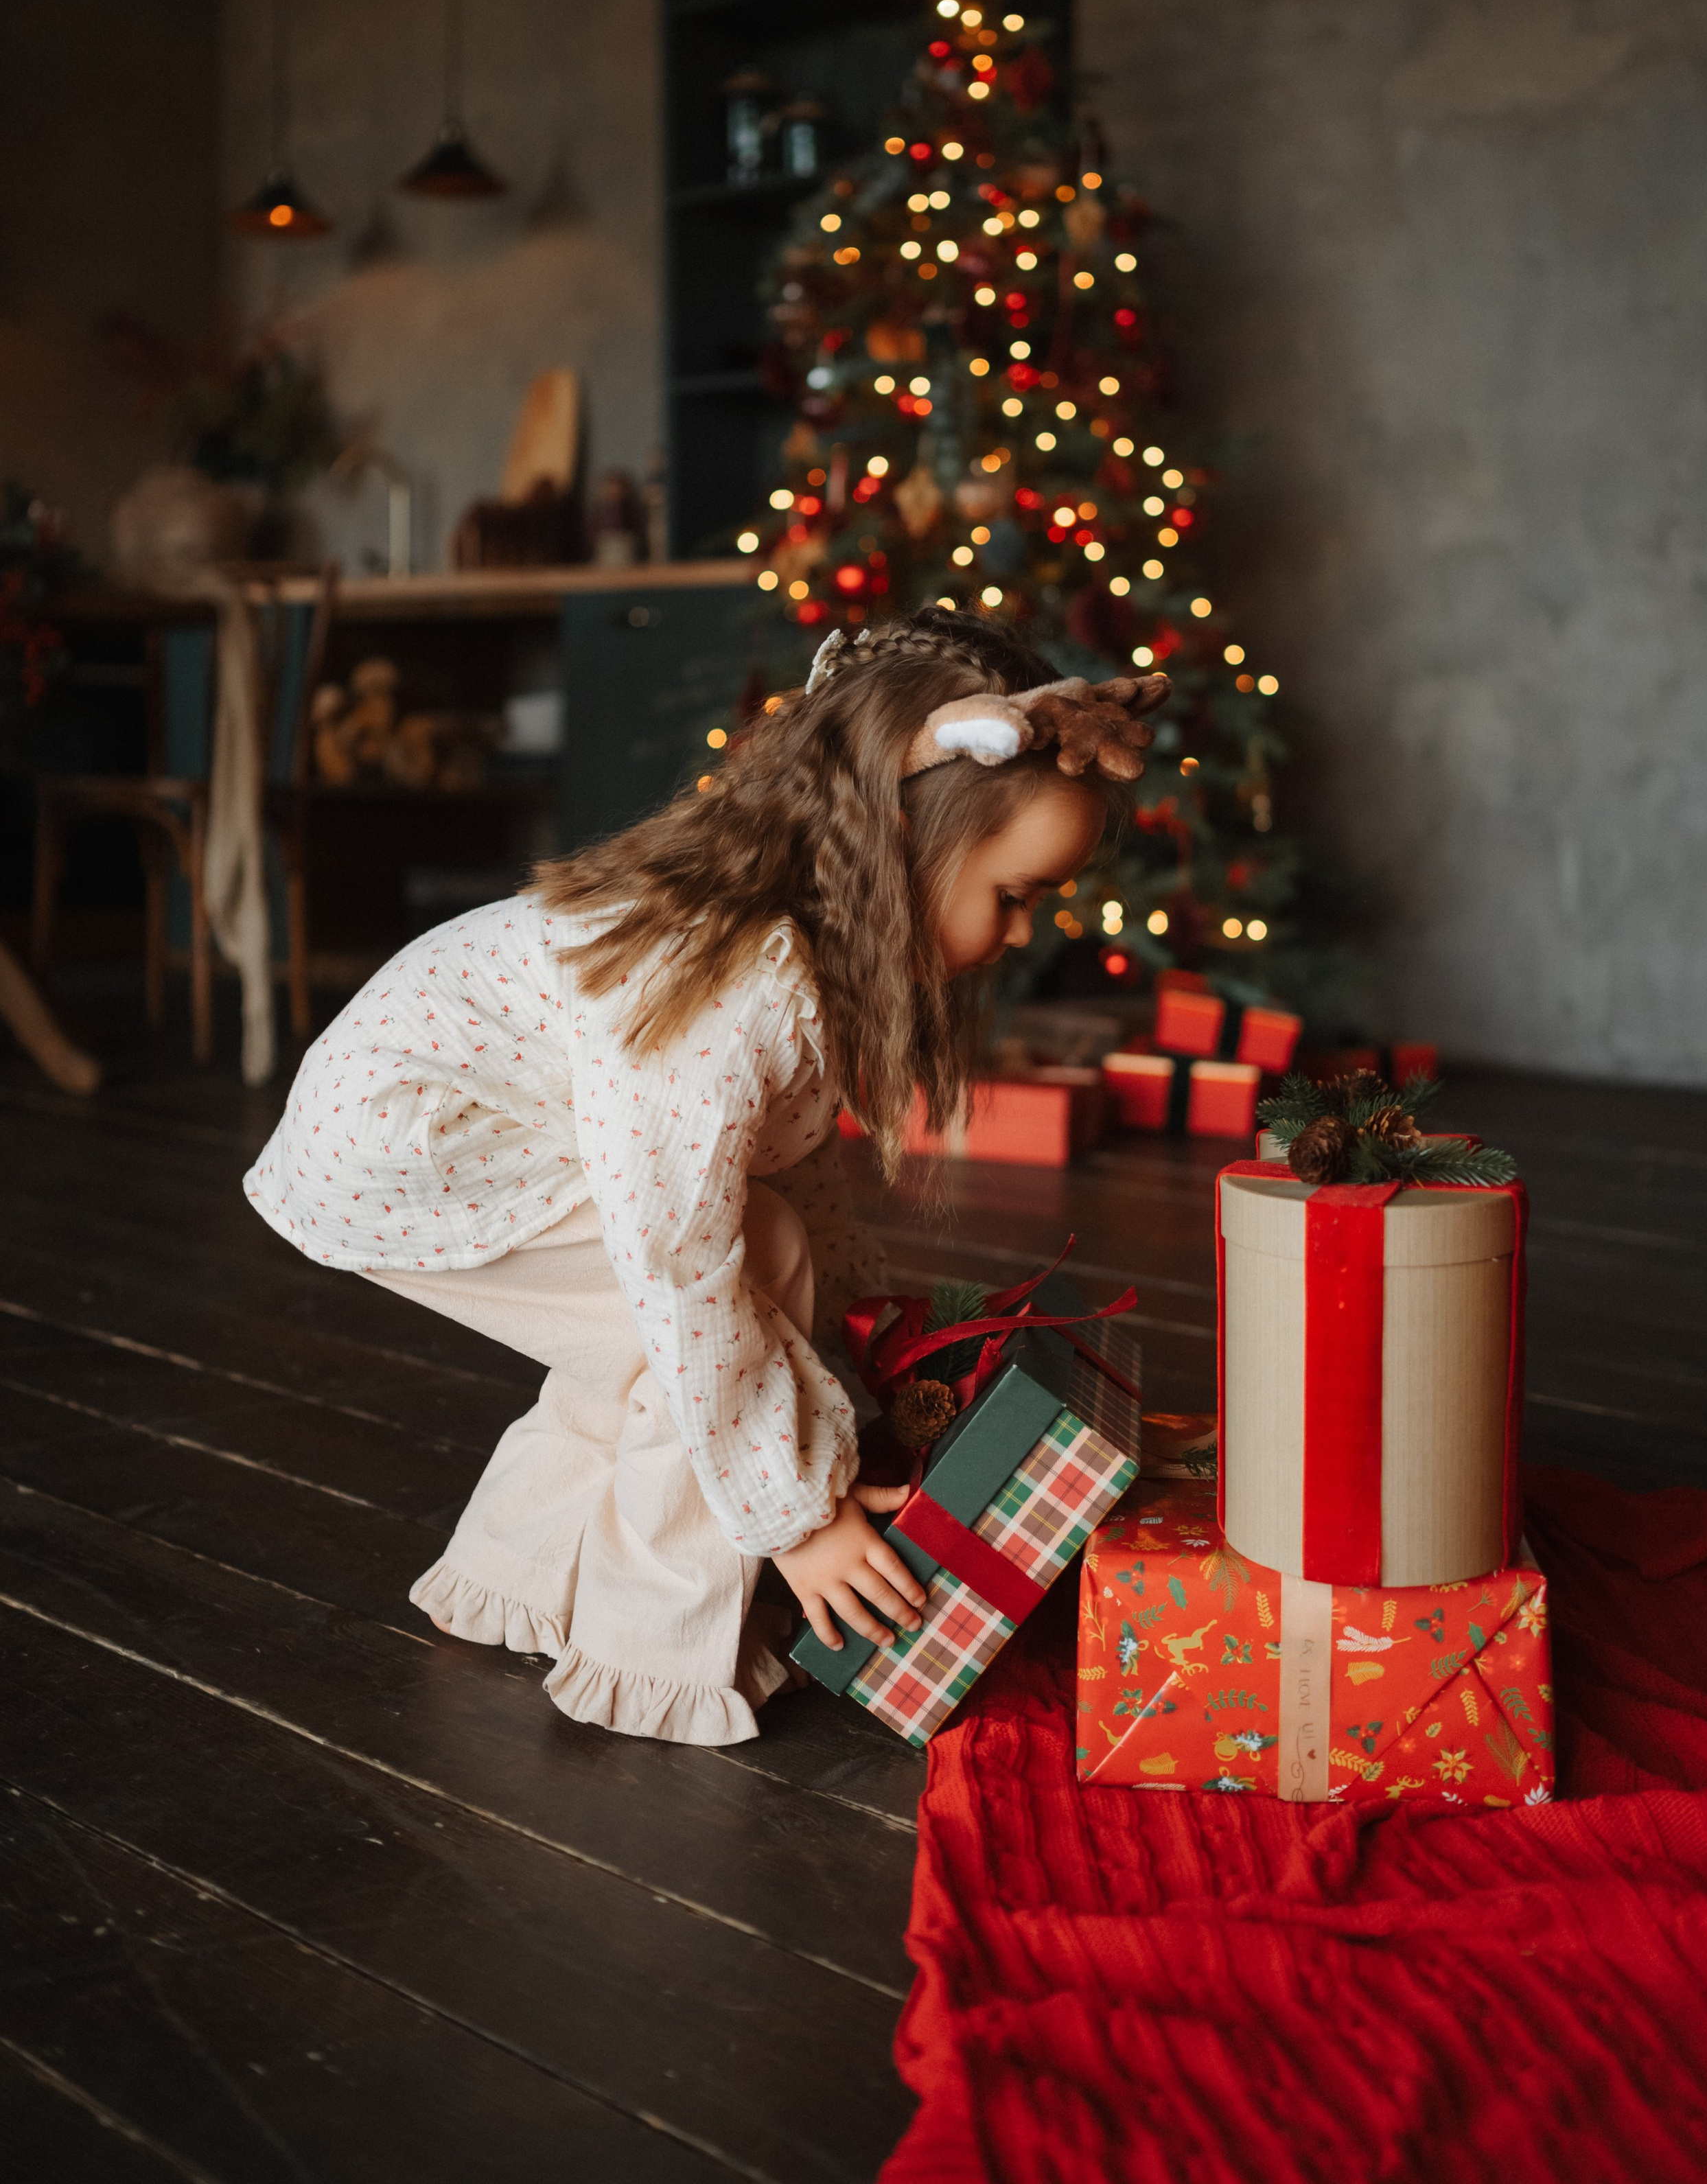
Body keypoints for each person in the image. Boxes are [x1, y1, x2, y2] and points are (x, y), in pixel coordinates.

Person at [244, 607, 1166, 1745]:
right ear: (895, 848)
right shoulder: (733, 979)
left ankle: (517, 1578)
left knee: (687, 1317)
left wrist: (875, 1321)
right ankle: (658, 1656)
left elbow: (788, 1165)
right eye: (1015, 896)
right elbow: (683, 1265)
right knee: (715, 1308)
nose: (1023, 934)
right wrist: (796, 1518)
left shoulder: (803, 946)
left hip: (444, 1132)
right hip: (413, 1147)